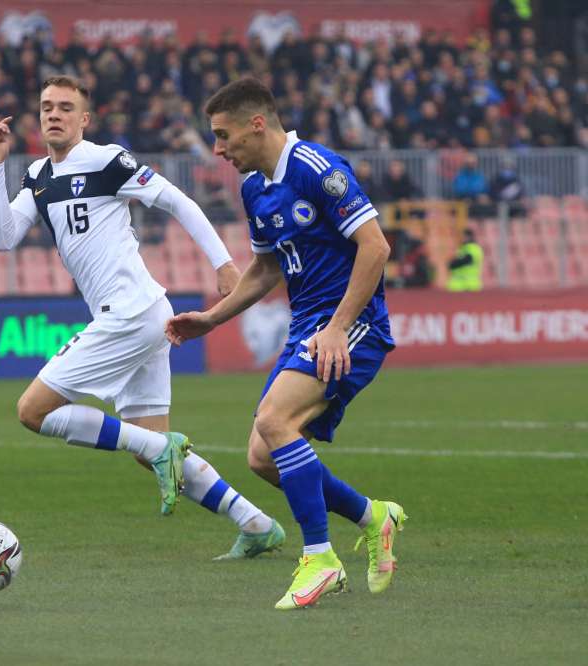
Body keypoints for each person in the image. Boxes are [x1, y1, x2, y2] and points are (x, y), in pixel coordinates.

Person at [0, 76, 284, 559]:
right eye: (46, 107)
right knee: (151, 446)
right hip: (142, 317)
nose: (54, 114)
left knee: (32, 411)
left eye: (65, 107)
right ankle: (255, 522)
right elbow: (3, 238)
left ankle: (161, 449)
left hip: (130, 313)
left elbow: (176, 200)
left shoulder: (106, 160)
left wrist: (224, 264)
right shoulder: (37, 176)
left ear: (84, 119)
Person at [166, 77, 407, 609]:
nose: (218, 149)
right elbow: (265, 268)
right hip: (308, 326)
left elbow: (375, 247)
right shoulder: (254, 188)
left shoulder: (316, 169)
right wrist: (212, 319)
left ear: (257, 124)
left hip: (352, 324)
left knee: (276, 421)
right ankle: (373, 516)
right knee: (262, 456)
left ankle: (320, 558)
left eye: (223, 135)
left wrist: (338, 327)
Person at [447, 227, 484, 291]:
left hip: (470, 285)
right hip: (459, 285)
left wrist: (453, 263)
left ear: (469, 237)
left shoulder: (474, 248)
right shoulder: (462, 248)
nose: (462, 238)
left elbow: (467, 260)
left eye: (464, 236)